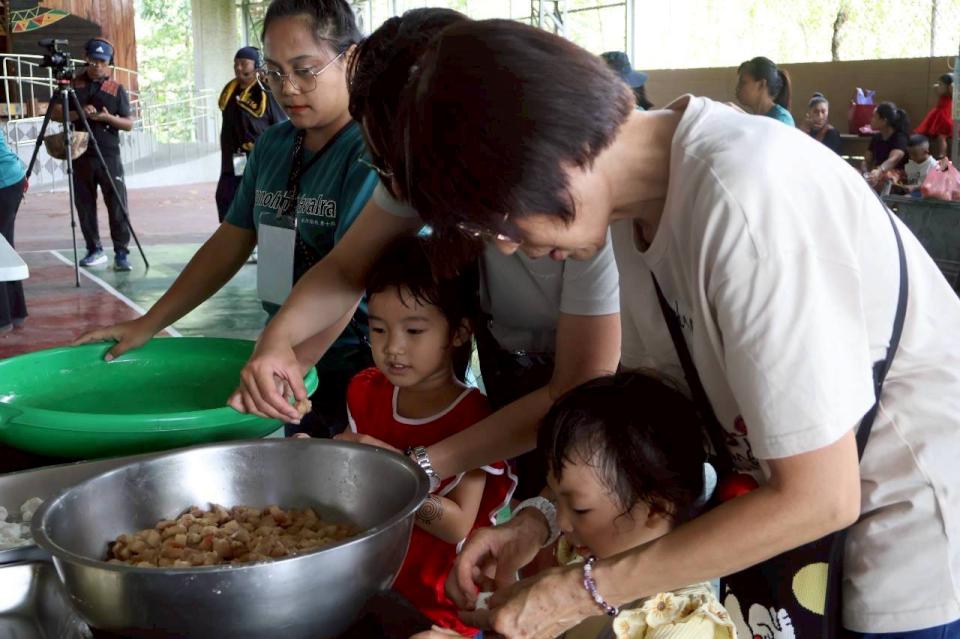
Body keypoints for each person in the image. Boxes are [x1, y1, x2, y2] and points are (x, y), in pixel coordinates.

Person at [329, 19, 959, 639]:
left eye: (497, 215)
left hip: (903, 525)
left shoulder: (747, 198)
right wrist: (541, 519)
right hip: (804, 528)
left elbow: (821, 497)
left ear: (545, 151)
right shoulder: (632, 217)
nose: (506, 244)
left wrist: (582, 590)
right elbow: (657, 421)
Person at [229, 8, 621, 504]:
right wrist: (277, 343)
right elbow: (348, 267)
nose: (402, 191)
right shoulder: (415, 171)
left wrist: (420, 466)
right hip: (510, 364)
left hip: (589, 395)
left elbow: (581, 385)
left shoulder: (583, 201)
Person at [75, 0, 379, 439]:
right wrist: (149, 323)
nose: (287, 88)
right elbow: (231, 241)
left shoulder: (370, 151)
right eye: (273, 72)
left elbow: (350, 274)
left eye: (305, 69)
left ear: (349, 59)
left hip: (366, 360)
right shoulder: (276, 144)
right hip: (288, 351)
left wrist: (297, 363)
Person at [412, 372, 736, 639]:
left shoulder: (687, 628)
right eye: (555, 496)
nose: (561, 524)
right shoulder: (581, 559)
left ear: (656, 508)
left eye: (580, 509)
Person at [331, 235, 515, 636]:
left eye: (413, 331)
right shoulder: (366, 390)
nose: (393, 348)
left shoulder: (473, 418)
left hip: (439, 606)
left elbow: (456, 526)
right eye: (378, 329)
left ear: (459, 332)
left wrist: (385, 467)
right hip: (367, 585)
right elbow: (345, 466)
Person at [50, 38, 135, 271]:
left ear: (109, 62)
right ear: (85, 58)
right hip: (79, 153)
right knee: (85, 204)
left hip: (108, 154)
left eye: (102, 61)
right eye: (93, 60)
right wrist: (80, 113)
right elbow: (55, 113)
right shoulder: (71, 84)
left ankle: (121, 252)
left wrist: (108, 118)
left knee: (116, 203)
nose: (97, 65)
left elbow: (128, 124)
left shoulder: (116, 88)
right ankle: (94, 249)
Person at [216, 46, 286, 224]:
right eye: (236, 64)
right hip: (236, 157)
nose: (239, 68)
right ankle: (232, 236)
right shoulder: (231, 91)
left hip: (260, 157)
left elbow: (280, 124)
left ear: (256, 67)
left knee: (262, 199)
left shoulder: (266, 92)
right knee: (228, 196)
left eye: (244, 63)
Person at [0, 129, 27, 334]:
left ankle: (2, 320)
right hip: (12, 179)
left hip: (4, 183)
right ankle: (16, 313)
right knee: (5, 249)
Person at [863, 101, 911, 191]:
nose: (871, 119)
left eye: (874, 117)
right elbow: (867, 159)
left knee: (887, 177)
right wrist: (865, 172)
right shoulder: (876, 137)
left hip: (896, 177)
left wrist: (879, 171)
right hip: (877, 174)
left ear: (884, 121)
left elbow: (893, 160)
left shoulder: (900, 138)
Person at [735, 56, 794, 126]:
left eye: (743, 82)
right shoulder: (757, 117)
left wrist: (741, 116)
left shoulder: (781, 119)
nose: (737, 88)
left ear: (761, 84)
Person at [915, 73, 954, 160]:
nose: (938, 86)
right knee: (931, 134)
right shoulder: (942, 93)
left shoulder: (951, 94)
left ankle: (942, 154)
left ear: (948, 87)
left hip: (945, 116)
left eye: (941, 84)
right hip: (938, 115)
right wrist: (940, 83)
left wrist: (950, 85)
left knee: (942, 136)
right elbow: (934, 87)